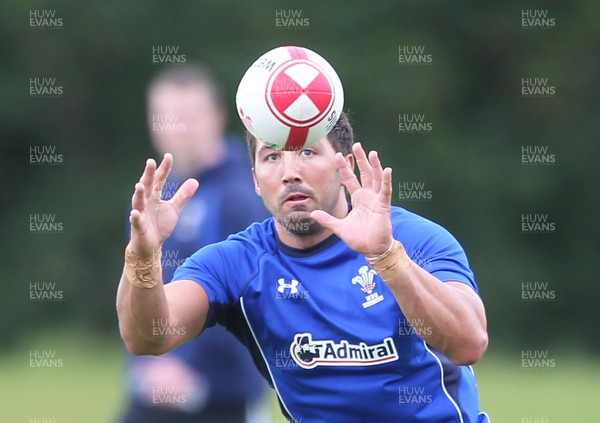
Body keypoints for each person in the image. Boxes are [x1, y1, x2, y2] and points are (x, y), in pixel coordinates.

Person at [116, 110, 490, 422]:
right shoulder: (239, 263)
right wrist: (143, 256)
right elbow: (147, 336)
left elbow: (468, 342)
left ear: (343, 166)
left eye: (307, 152)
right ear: (256, 182)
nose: (289, 171)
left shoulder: (412, 239)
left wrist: (386, 257)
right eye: (272, 156)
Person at [119, 65, 270, 423]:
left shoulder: (246, 193)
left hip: (220, 401)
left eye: (186, 117)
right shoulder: (153, 192)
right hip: (151, 394)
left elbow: (247, 299)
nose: (175, 129)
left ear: (216, 118)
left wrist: (188, 370)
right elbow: (136, 286)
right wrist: (145, 363)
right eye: (164, 117)